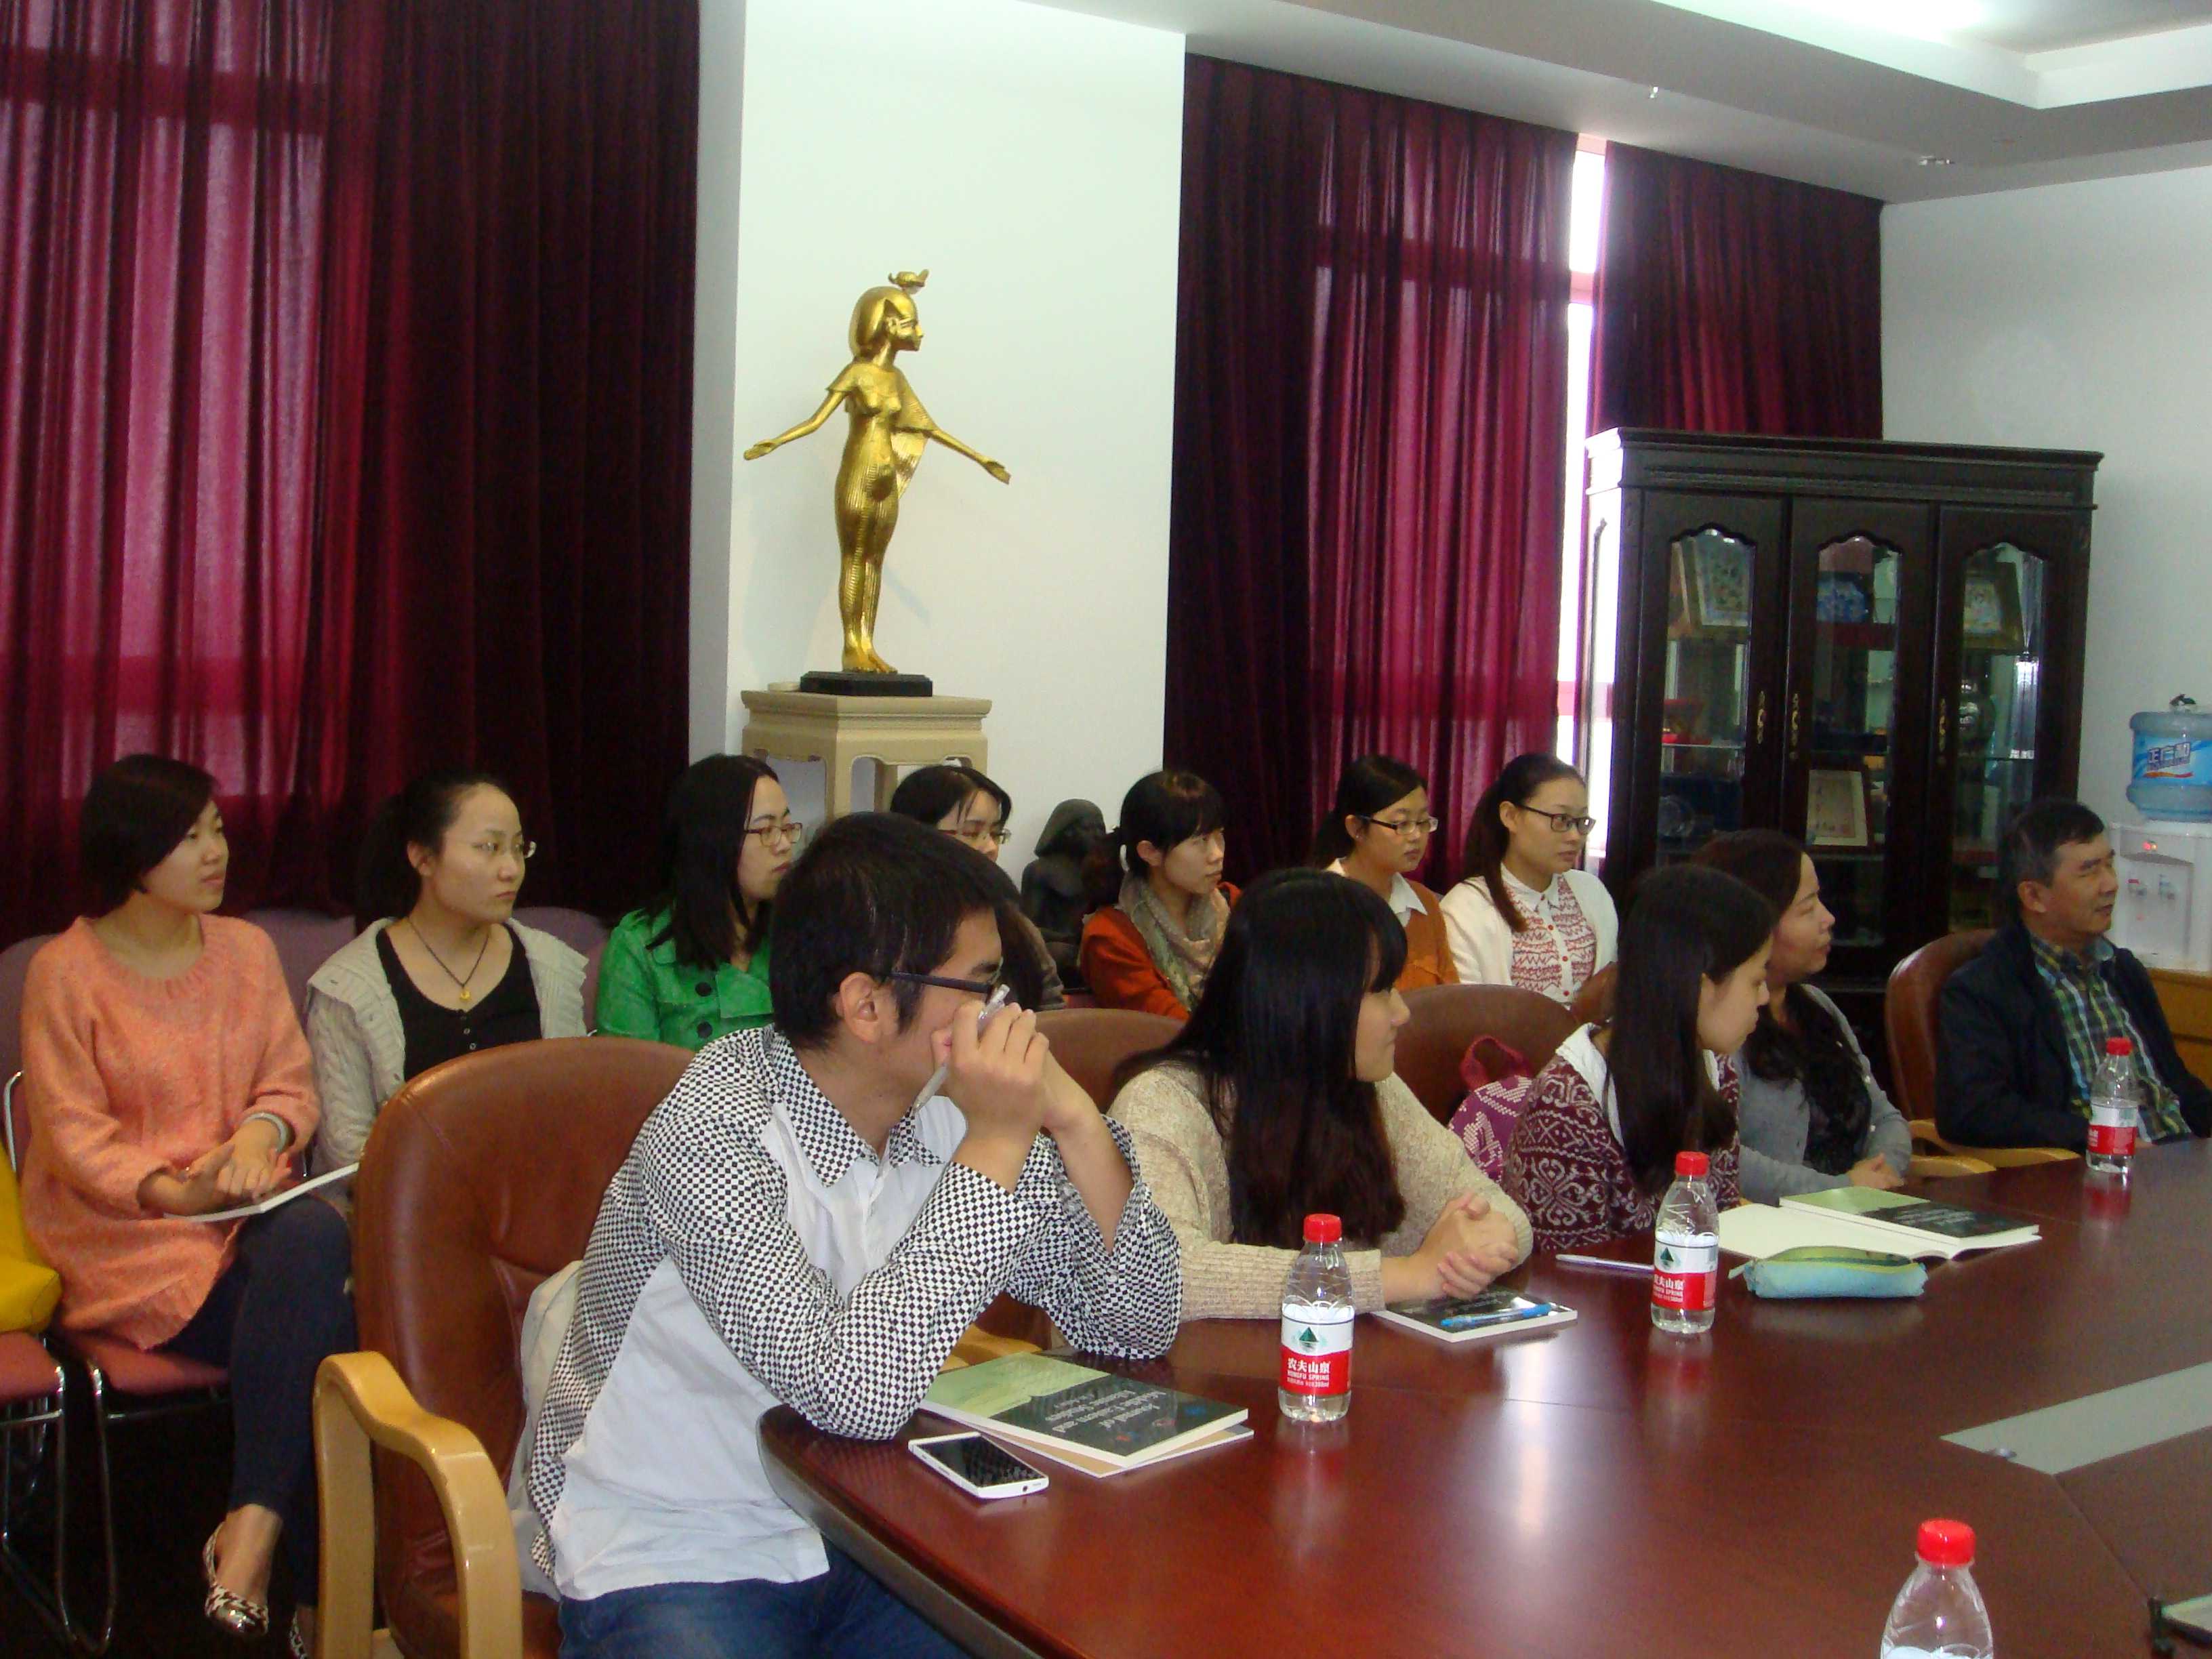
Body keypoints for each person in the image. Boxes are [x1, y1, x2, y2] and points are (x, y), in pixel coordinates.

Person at [527, 813, 1180, 1658]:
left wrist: (1077, 1119)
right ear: (867, 1004)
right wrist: (996, 1144)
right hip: (674, 1541)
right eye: (980, 987)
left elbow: (1136, 1321)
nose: (1003, 1015)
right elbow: (851, 1395)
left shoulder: (942, 1109)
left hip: (863, 1526)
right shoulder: (717, 1127)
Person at [18, 756, 352, 1654]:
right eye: (190, 836)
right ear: (131, 853)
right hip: (126, 1231)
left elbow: (288, 1084)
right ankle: (319, 1600)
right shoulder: (65, 971)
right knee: (334, 1340)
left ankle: (251, 1533)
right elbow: (74, 1138)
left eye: (218, 830)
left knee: (310, 1232)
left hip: (249, 1209)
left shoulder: (245, 951)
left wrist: (256, 1140)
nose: (216, 853)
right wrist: (178, 1192)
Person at [1108, 869, 1528, 1319]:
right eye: (1381, 991)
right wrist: (1406, 1275)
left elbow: (1499, 1212)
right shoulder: (1160, 1103)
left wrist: (1481, 1245)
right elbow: (1162, 1275)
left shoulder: (1366, 1085)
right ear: (1308, 1003)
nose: (1402, 1013)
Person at [304, 769, 588, 1174]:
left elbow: (575, 1116)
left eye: (518, 848)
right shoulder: (347, 989)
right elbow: (348, 1156)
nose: (511, 869)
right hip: (405, 1203)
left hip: (537, 1196)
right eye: (489, 848)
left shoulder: (551, 967)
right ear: (422, 858)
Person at [1502, 865, 1771, 1252]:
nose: (1764, 998)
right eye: (1756, 981)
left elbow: (1721, 1228)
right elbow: (1566, 1272)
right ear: (1698, 987)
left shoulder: (1716, 1070)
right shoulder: (1567, 1105)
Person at [1938, 799, 2210, 1150]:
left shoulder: (2123, 971)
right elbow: (1974, 1111)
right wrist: (2100, 1139)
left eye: (2110, 864)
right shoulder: (1983, 989)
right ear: (2034, 896)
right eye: (2089, 871)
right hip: (2095, 1168)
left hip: (2177, 1158)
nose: (2111, 884)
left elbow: (2176, 1085)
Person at [1693, 831, 1911, 1200]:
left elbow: (1886, 1118)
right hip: (1780, 1220)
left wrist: (1880, 1173)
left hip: (1861, 1208)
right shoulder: (1720, 1026)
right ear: (1755, 923)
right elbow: (1720, 1159)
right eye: (1808, 909)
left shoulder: (1818, 1007)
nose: (1829, 918)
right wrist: (1841, 1190)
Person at [596, 756, 796, 1049]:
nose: (785, 845)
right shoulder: (639, 947)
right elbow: (629, 1072)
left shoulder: (799, 928)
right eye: (766, 830)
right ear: (713, 842)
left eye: (788, 827)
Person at [1441, 754, 1617, 1004]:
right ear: (1510, 816)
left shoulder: (1591, 891)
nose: (1575, 836)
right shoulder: (1466, 907)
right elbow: (1470, 1013)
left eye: (1581, 822)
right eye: (1561, 820)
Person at [888, 763, 1065, 1008]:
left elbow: (1050, 1009)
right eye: (972, 833)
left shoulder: (1013, 923)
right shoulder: (886, 927)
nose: (991, 848)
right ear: (915, 835)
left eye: (996, 834)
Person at [1080, 771, 1240, 1019]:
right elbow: (1166, 1030)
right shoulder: (1111, 938)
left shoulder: (1235, 904)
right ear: (1150, 852)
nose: (1217, 854)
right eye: (1201, 841)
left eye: (1220, 836)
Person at [1311, 755, 1459, 991]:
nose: (1416, 836)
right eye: (1401, 824)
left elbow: (1450, 999)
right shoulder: (1317, 907)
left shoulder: (1425, 904)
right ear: (1357, 828)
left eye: (1422, 822)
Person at [1019, 797, 1108, 989]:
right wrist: (1067, 938)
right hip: (1057, 945)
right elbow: (1027, 928)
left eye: (1101, 828)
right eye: (1089, 828)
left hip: (1092, 943)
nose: (1098, 835)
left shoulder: (1103, 871)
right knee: (1057, 953)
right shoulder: (1039, 871)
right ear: (1067, 832)